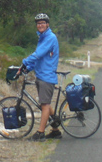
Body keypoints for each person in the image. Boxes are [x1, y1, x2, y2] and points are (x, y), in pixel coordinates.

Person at [20, 13, 61, 142]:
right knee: (46, 104)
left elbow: (38, 54)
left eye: (43, 23)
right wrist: (28, 67)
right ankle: (56, 129)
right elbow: (40, 58)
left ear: (47, 24)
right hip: (42, 75)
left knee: (45, 105)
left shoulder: (49, 37)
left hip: (46, 76)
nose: (40, 25)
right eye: (38, 23)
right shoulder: (42, 38)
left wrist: (25, 62)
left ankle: (40, 133)